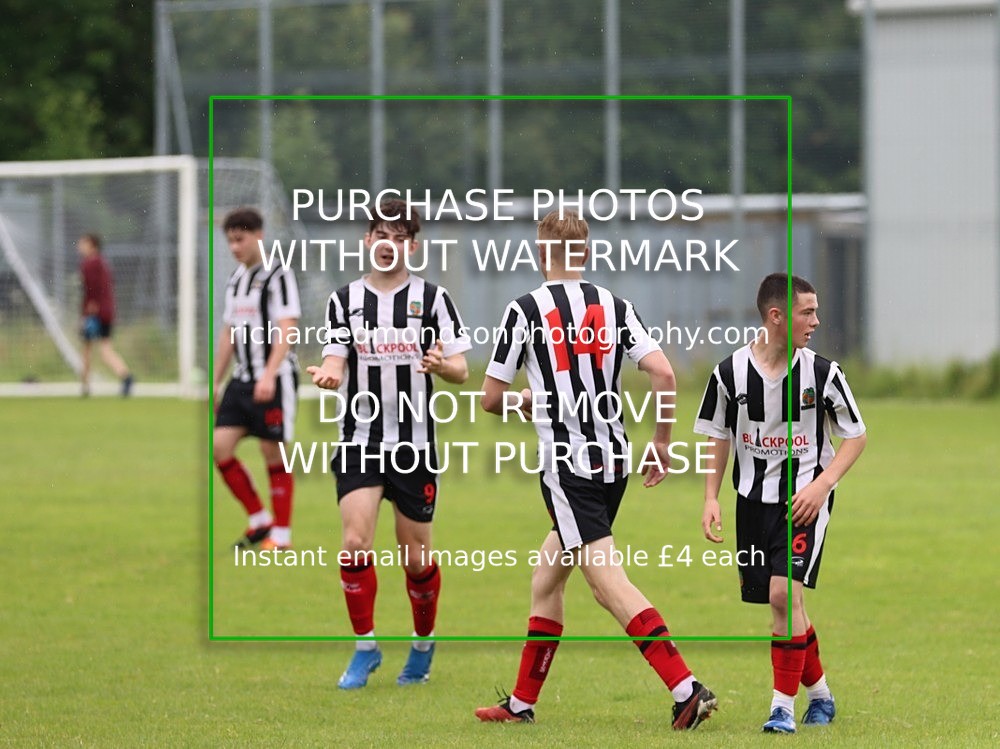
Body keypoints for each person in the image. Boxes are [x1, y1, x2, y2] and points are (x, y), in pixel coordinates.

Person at [474, 209, 718, 730]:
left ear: (541, 253)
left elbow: (490, 399)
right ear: (585, 253)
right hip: (613, 463)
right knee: (546, 580)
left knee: (607, 585)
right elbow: (664, 374)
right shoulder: (614, 304)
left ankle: (685, 688)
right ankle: (521, 704)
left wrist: (528, 401)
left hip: (568, 469)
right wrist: (661, 442)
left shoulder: (524, 310)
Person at [307, 199, 471, 689]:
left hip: (415, 444)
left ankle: (422, 644)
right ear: (367, 241)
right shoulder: (344, 300)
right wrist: (329, 376)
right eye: (381, 234)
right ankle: (365, 649)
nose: (388, 244)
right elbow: (335, 359)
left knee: (415, 558)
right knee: (354, 542)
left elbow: (461, 369)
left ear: (412, 247)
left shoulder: (435, 299)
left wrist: (442, 366)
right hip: (360, 438)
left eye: (399, 237)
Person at [694, 273, 867, 734]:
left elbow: (855, 436)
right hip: (752, 502)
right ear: (776, 316)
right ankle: (821, 697)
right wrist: (711, 496)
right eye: (807, 312)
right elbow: (717, 435)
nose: (816, 320)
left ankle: (781, 709)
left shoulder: (823, 373)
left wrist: (822, 485)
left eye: (815, 310)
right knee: (788, 608)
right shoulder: (729, 373)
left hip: (805, 501)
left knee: (783, 595)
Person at [213, 208, 301, 552]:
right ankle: (258, 519)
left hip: (274, 378)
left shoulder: (279, 275)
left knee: (272, 452)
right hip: (242, 379)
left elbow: (287, 328)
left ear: (258, 236)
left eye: (241, 239)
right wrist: (215, 381)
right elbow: (228, 333)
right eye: (230, 240)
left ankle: (281, 535)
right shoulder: (236, 280)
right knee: (220, 448)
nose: (235, 247)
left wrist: (268, 374)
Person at [77, 233, 133, 396]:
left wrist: (90, 308)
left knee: (87, 349)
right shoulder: (103, 262)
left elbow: (92, 289)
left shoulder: (89, 264)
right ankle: (126, 376)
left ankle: (85, 386)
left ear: (92, 245)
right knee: (106, 350)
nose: (80, 245)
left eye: (83, 243)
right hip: (107, 312)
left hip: (94, 313)